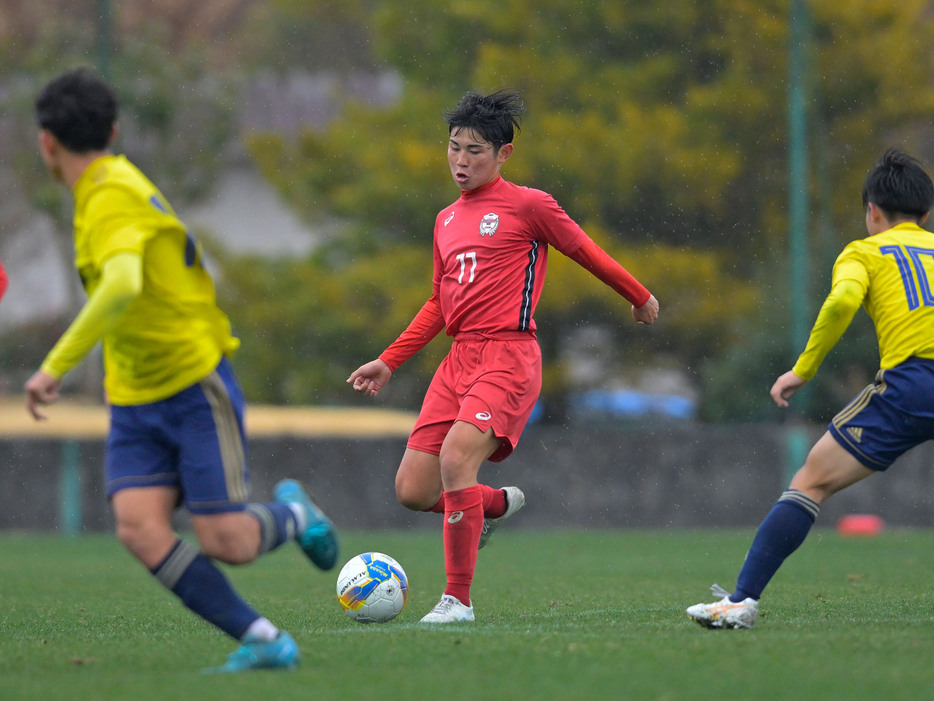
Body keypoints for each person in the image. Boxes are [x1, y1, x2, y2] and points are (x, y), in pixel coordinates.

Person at [26, 67, 338, 671]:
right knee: (138, 527)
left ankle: (296, 515)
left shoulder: (110, 191)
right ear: (114, 129)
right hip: (134, 397)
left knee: (229, 542)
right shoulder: (100, 191)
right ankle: (265, 639)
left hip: (193, 384)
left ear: (46, 142)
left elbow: (120, 287)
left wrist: (54, 366)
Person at [348, 90, 659, 623]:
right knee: (413, 490)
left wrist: (639, 295)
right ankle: (490, 505)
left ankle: (457, 600)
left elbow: (585, 250)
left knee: (454, 460)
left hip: (507, 356)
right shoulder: (446, 220)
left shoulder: (529, 206)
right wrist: (389, 360)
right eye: (453, 148)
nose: (461, 162)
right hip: (458, 361)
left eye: (475, 151)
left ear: (503, 154)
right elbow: (437, 304)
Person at [687, 148, 934, 629]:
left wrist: (803, 369)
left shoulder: (865, 251)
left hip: (909, 387)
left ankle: (741, 601)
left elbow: (843, 298)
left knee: (810, 483)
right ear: (926, 215)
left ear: (872, 212)